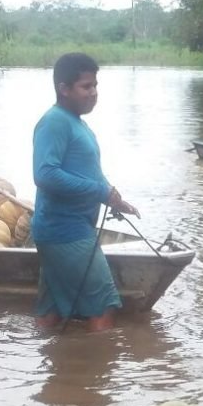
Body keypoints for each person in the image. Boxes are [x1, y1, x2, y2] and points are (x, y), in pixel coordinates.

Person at [31, 52, 139, 332]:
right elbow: (44, 174)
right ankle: (95, 372)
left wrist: (114, 198)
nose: (93, 93)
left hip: (64, 228)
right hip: (65, 230)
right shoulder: (54, 122)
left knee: (51, 311)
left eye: (95, 86)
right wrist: (99, 190)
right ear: (63, 88)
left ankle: (50, 368)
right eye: (86, 86)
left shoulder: (78, 123)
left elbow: (86, 172)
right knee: (104, 306)